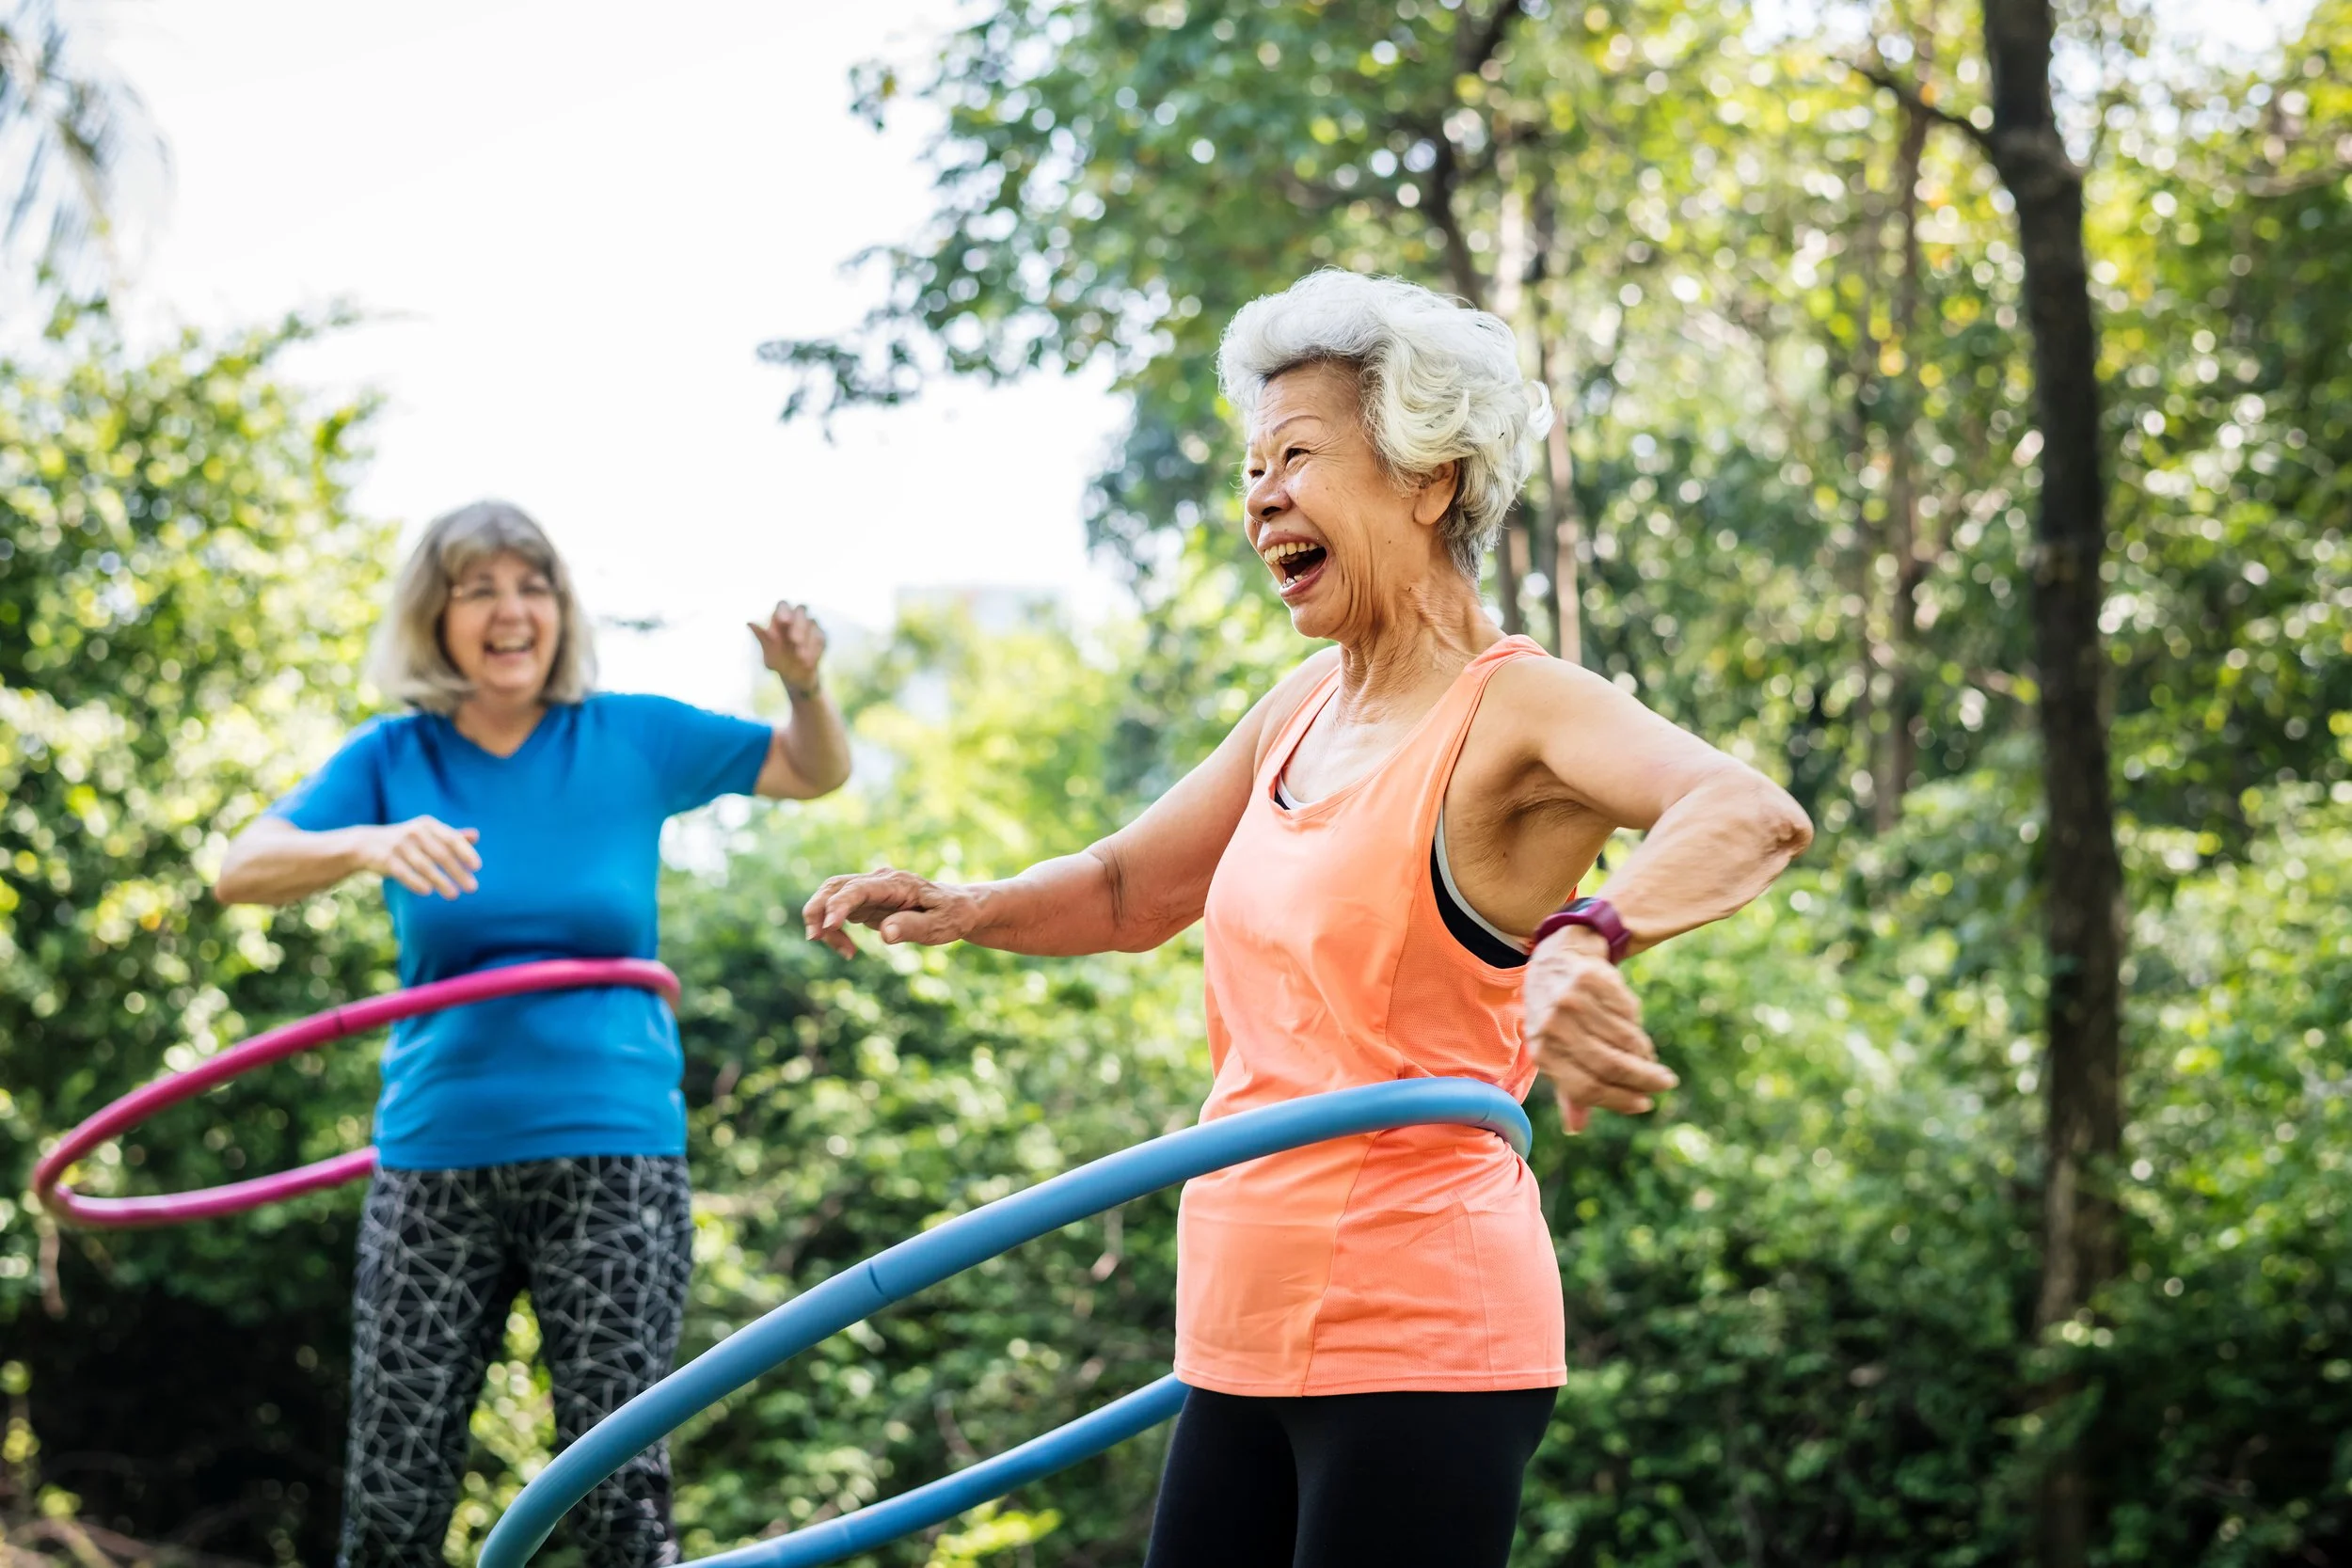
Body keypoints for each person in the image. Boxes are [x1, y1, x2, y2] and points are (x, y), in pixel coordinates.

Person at [802, 270, 1813, 1568]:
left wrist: (1588, 935)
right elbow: (1129, 888)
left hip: (1422, 1331)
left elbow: (1750, 809)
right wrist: (967, 903)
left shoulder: (1519, 708)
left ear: (1427, 478)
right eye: (1251, 465)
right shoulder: (1301, 706)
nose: (1258, 495)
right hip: (1233, 1328)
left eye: (1297, 456)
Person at [214, 499, 850, 1568]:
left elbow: (811, 767)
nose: (511, 611)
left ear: (560, 608)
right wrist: (367, 842)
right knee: (394, 1493)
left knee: (615, 1497)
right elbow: (241, 866)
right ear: (437, 614)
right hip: (434, 1159)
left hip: (614, 1157)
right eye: (479, 588)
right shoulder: (392, 757)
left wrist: (803, 681)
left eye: (533, 585)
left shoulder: (629, 734)